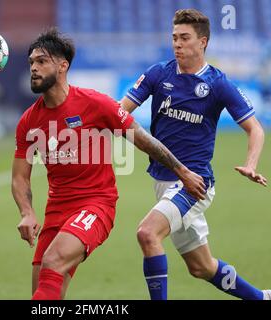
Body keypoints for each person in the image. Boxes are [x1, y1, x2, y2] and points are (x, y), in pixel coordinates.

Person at [12, 28, 205, 300]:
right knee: (43, 293)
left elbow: (144, 140)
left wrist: (183, 173)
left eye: (41, 61)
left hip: (96, 204)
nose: (34, 67)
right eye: (31, 62)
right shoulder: (29, 122)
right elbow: (20, 177)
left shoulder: (95, 103)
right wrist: (26, 212)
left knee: (53, 261)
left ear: (62, 65)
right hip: (56, 211)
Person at [120, 9, 271, 300]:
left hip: (194, 184)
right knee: (202, 267)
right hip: (164, 182)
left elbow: (255, 129)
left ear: (203, 42)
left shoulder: (218, 83)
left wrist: (250, 164)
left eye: (184, 38)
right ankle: (261, 298)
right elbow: (121, 112)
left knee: (147, 233)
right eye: (174, 38)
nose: (177, 44)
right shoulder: (159, 74)